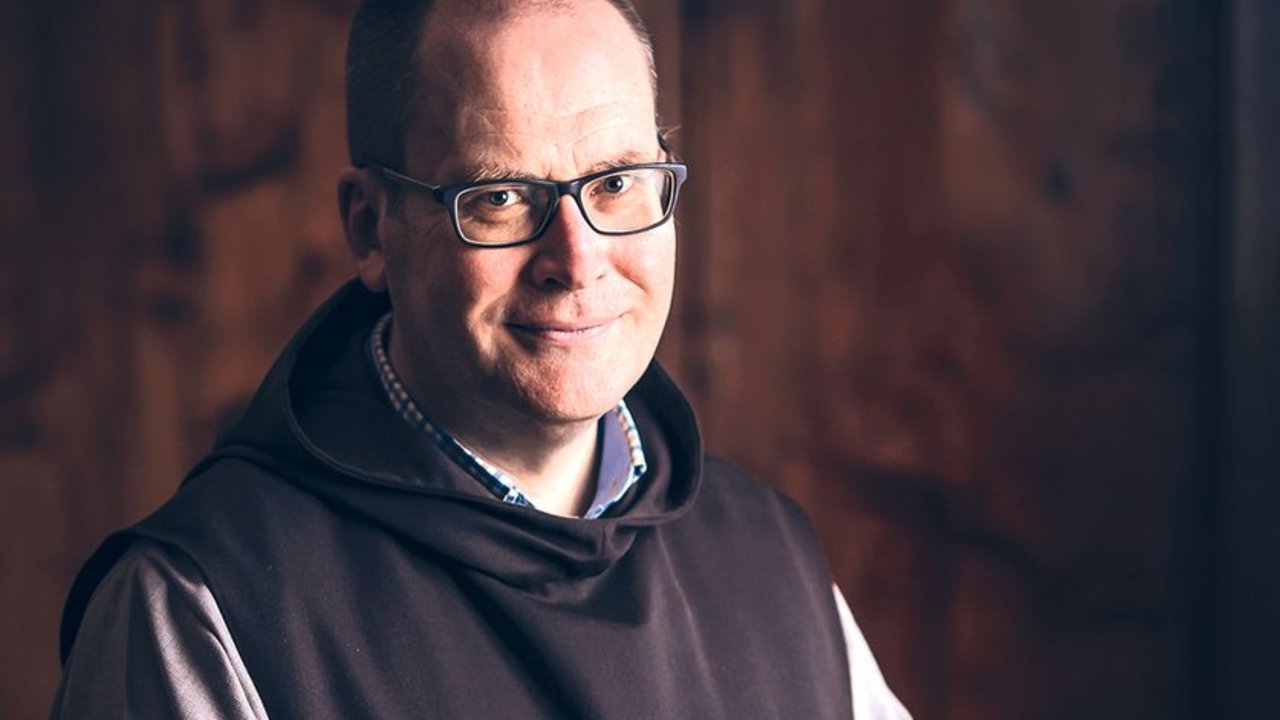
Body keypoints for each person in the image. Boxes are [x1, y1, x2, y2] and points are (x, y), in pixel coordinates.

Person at [52, 1, 910, 718]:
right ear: (370, 228)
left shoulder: (770, 557)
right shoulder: (207, 609)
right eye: (499, 197)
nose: (576, 260)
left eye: (616, 182)